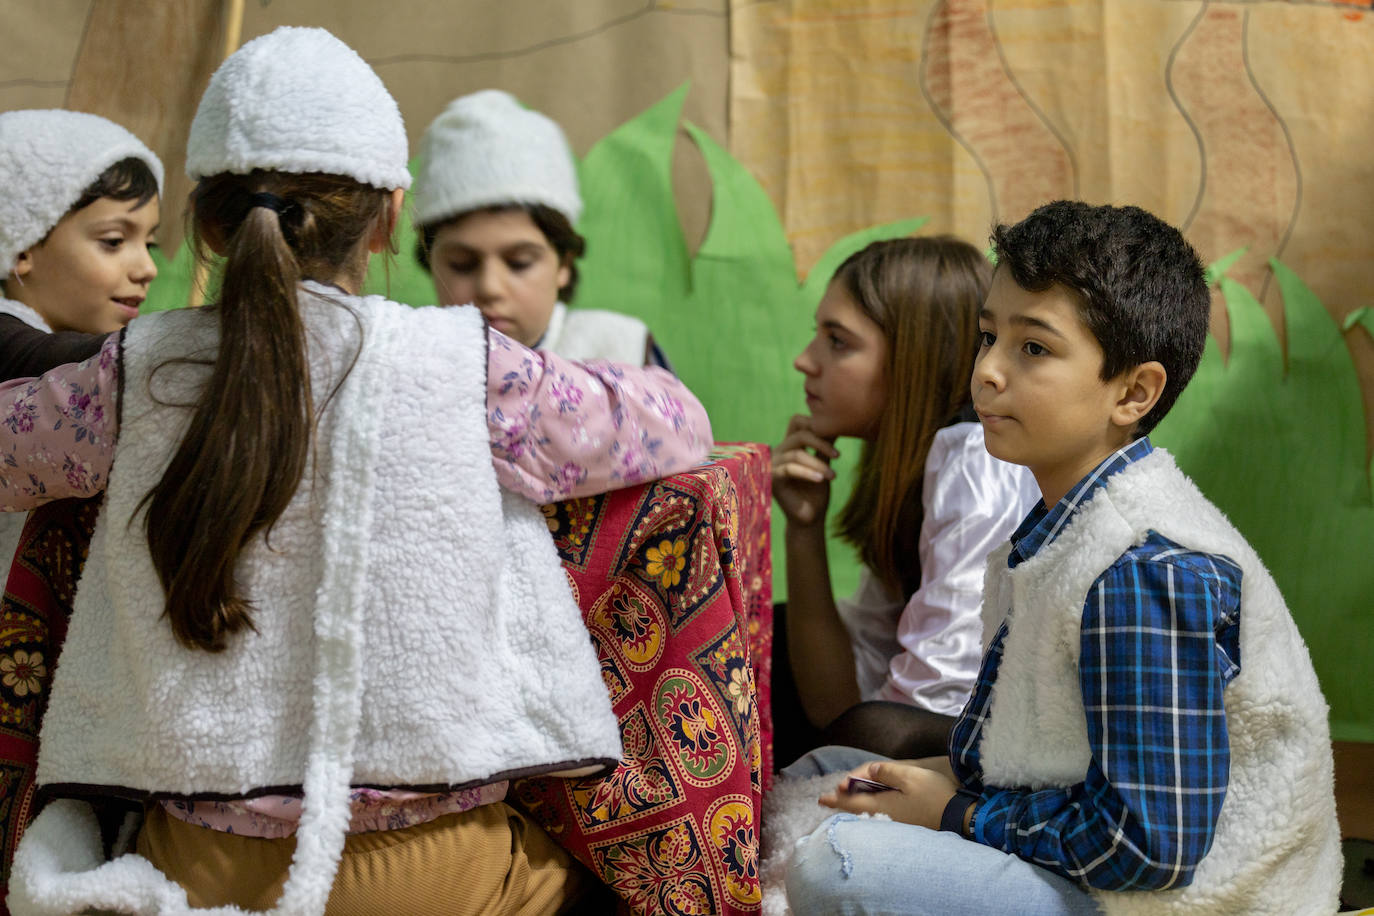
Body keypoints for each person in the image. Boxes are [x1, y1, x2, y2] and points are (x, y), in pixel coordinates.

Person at [1, 27, 711, 916]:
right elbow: (676, 423)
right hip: (438, 871)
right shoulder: (470, 368)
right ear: (389, 218)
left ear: (208, 223)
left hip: (197, 862)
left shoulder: (134, 372)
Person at [776, 201, 1341, 915]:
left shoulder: (1142, 568)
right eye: (987, 337)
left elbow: (1148, 848)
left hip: (1179, 901)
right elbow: (1037, 744)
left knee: (839, 864)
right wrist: (934, 787)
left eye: (1033, 349)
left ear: (1133, 392)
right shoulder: (1061, 521)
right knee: (833, 771)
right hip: (1104, 851)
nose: (985, 373)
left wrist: (957, 812)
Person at [770, 236, 1037, 764]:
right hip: (937, 728)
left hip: (1010, 746)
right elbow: (836, 698)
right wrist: (802, 528)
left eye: (838, 341)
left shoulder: (976, 463)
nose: (806, 361)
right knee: (777, 633)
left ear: (916, 357)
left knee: (868, 729)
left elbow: (930, 708)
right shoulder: (914, 463)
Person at [0, 108, 162, 576]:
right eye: (114, 241)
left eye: (149, 243)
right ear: (21, 249)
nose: (146, 267)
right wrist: (179, 343)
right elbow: (39, 358)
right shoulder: (10, 340)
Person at [411, 89, 671, 368]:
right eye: (461, 264)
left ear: (564, 266)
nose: (490, 287)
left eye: (519, 263)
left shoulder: (622, 352)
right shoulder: (411, 365)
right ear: (431, 262)